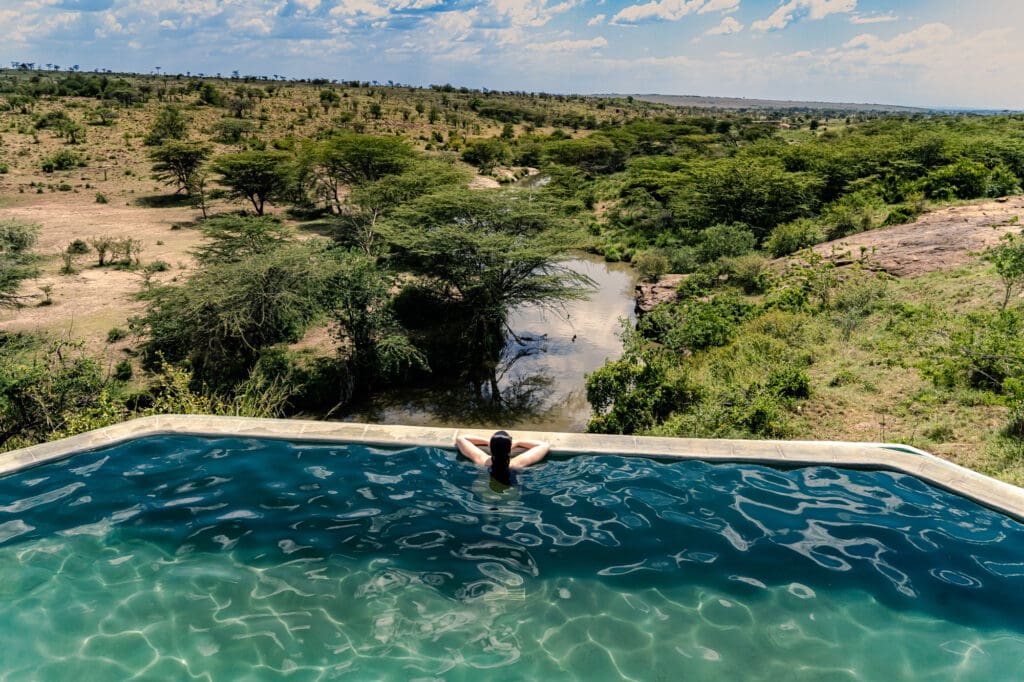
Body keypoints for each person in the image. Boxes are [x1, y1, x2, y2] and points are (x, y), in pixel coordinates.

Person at [455, 430, 550, 486]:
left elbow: (461, 439)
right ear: (509, 448)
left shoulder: (481, 460)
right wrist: (518, 442)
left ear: (491, 448)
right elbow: (544, 445)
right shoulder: (517, 463)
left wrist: (488, 442)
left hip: (483, 490)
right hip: (511, 493)